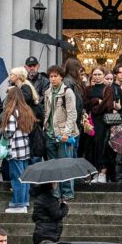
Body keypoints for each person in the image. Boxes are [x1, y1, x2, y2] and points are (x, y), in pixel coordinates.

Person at [42, 66, 79, 202]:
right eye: (51, 76)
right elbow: (47, 112)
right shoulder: (47, 92)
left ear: (61, 77)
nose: (53, 79)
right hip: (51, 133)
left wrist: (66, 133)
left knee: (65, 164)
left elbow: (72, 113)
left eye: (55, 76)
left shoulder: (67, 92)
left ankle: (67, 193)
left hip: (63, 133)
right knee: (53, 166)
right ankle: (56, 193)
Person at [3, 86, 35, 213]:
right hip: (25, 148)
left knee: (17, 178)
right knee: (25, 177)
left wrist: (4, 132)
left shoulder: (12, 113)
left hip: (15, 149)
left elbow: (9, 133)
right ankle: (25, 201)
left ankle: (19, 204)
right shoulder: (26, 110)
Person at [82, 67, 116, 183]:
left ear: (103, 75)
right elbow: (85, 103)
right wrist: (96, 101)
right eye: (95, 74)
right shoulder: (88, 89)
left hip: (103, 121)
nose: (97, 76)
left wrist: (95, 108)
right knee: (91, 146)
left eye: (99, 74)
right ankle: (94, 172)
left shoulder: (108, 89)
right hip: (90, 121)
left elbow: (108, 105)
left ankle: (103, 173)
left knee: (102, 146)